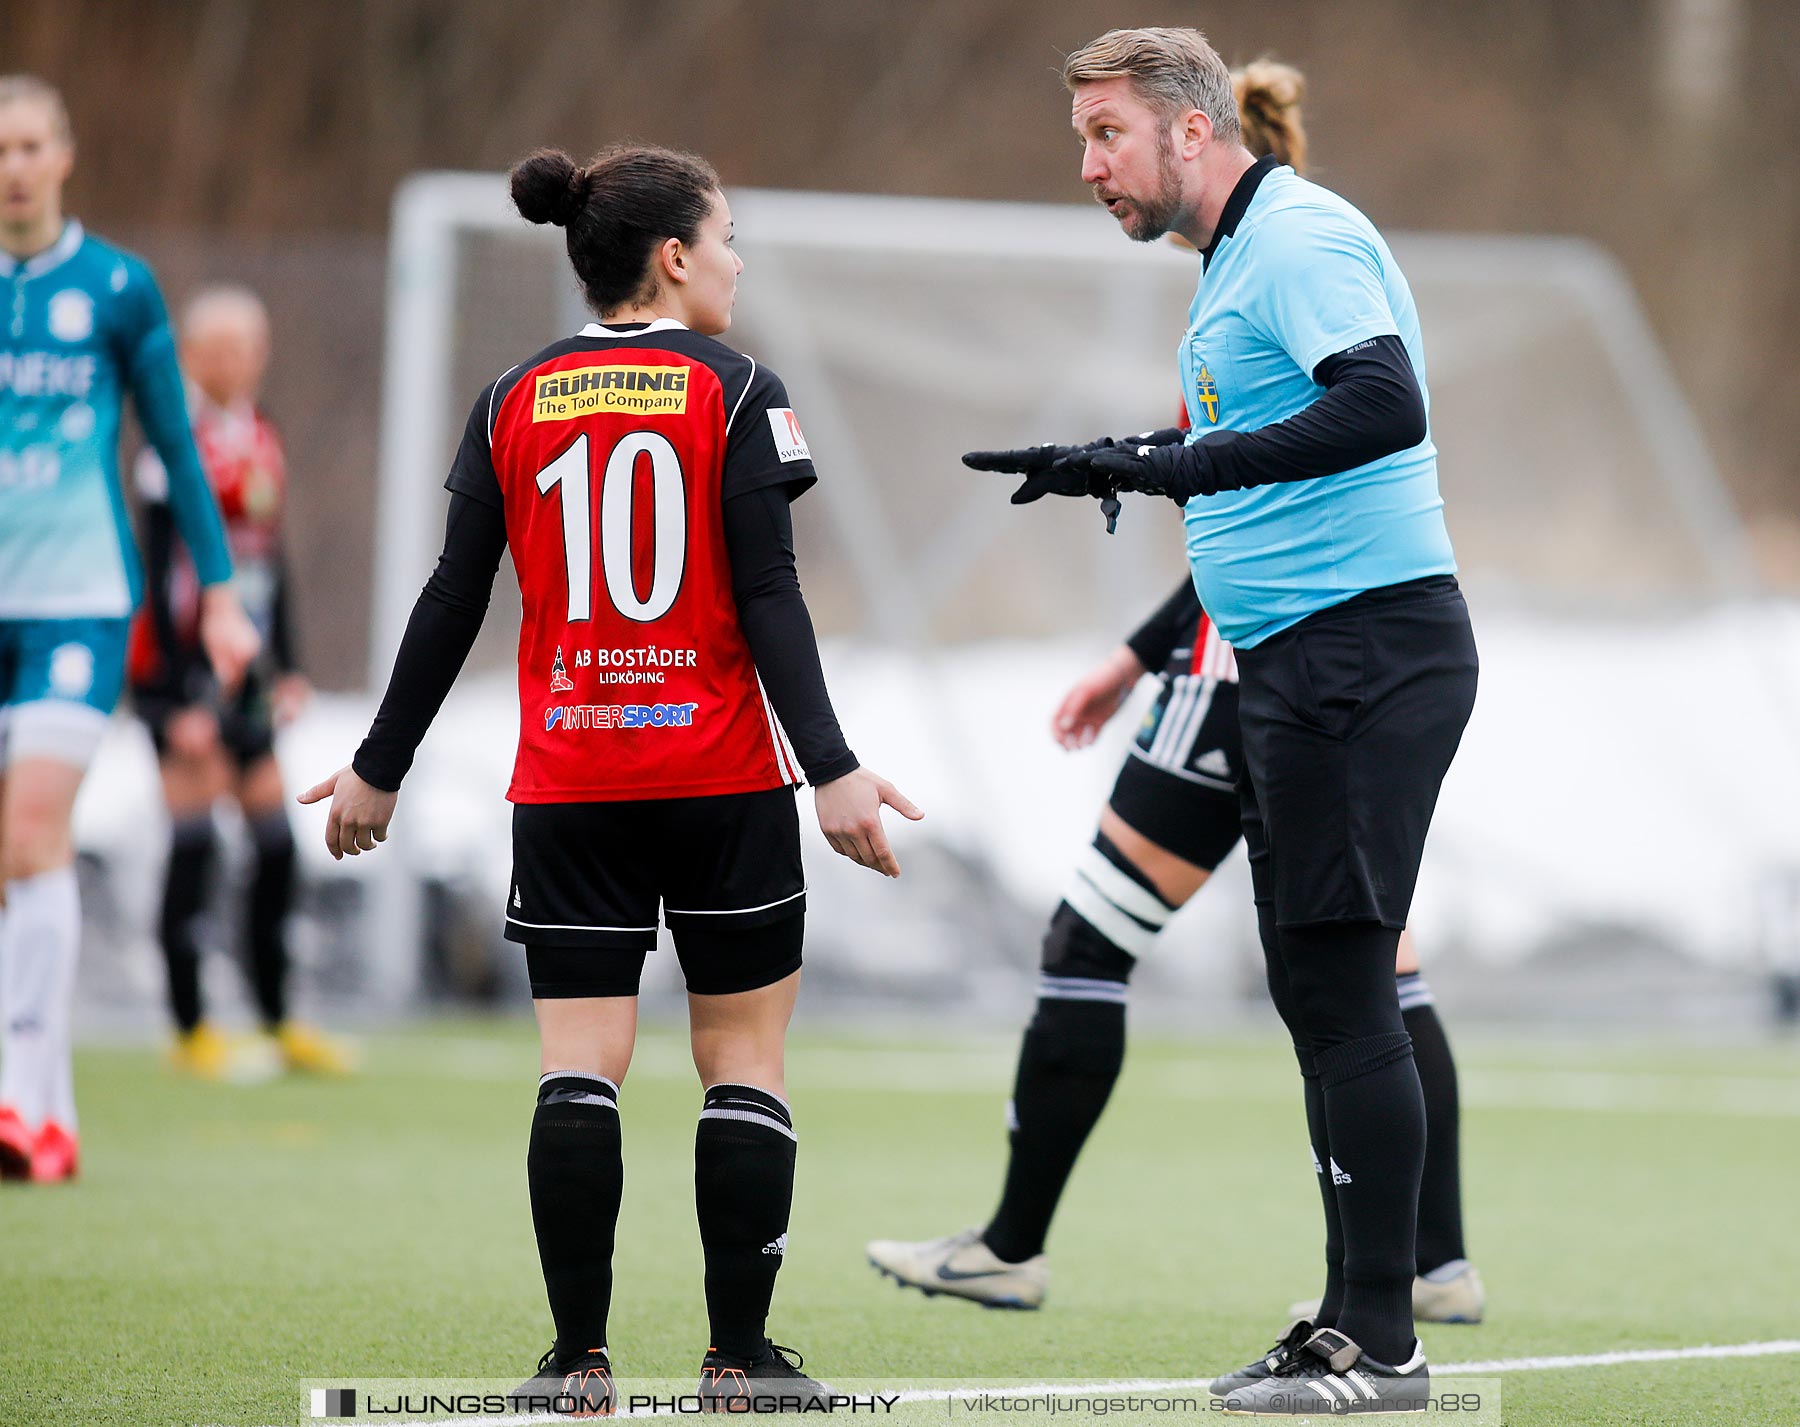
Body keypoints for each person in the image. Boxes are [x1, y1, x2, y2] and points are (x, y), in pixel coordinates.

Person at [299, 142, 920, 1415]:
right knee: (741, 1056)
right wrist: (835, 768)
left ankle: (576, 1362)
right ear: (675, 257)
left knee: (578, 1066)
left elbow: (452, 593)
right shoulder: (741, 388)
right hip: (722, 782)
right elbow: (768, 593)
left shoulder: (511, 394)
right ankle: (738, 1362)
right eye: (728, 237)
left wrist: (380, 764)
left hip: (572, 786)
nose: (739, 260)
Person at [867, 59, 1480, 1332]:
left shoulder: (1298, 237)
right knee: (1329, 992)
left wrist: (1170, 464)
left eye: (1108, 135)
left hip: (1352, 654)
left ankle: (1383, 1321)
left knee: (1346, 989)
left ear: (1193, 131)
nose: (1088, 166)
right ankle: (1370, 1307)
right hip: (1301, 659)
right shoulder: (1238, 261)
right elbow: (1243, 450)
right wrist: (1128, 458)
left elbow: (1384, 402)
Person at [0, 75, 258, 1183]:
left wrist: (226, 591)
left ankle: (16, 1097)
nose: (12, 165)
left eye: (28, 145)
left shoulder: (115, 287)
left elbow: (176, 446)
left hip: (79, 599)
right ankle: (46, 1112)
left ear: (64, 155)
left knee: (30, 828)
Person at [126, 285, 350, 1078]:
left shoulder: (262, 434)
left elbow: (270, 563)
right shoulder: (171, 440)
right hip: (183, 676)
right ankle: (190, 1028)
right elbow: (157, 573)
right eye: (215, 347)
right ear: (190, 356)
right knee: (195, 846)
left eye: (245, 345)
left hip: (246, 675)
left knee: (275, 845)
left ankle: (278, 1017)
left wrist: (285, 666)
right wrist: (173, 694)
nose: (232, 360)